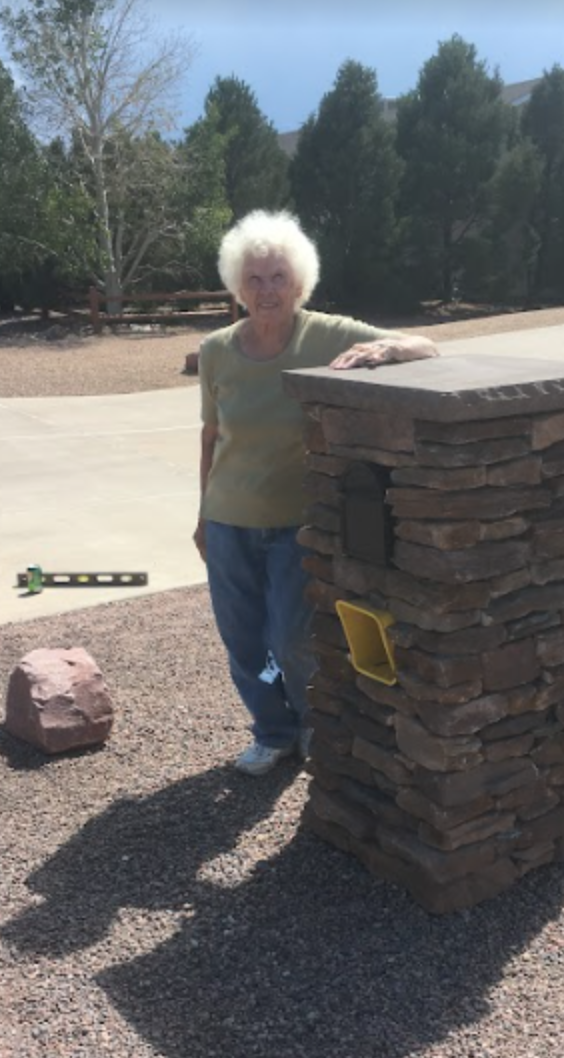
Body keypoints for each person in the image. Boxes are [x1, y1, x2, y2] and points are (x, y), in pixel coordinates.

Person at [195, 210, 438, 776]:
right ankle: (271, 731)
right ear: (238, 285)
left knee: (291, 635)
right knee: (243, 640)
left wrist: (388, 352)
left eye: (278, 276)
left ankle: (310, 721)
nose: (267, 289)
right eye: (253, 278)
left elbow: (427, 345)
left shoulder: (327, 333)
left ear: (299, 282)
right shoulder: (216, 350)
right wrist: (203, 515)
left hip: (295, 523)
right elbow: (211, 437)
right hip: (229, 519)